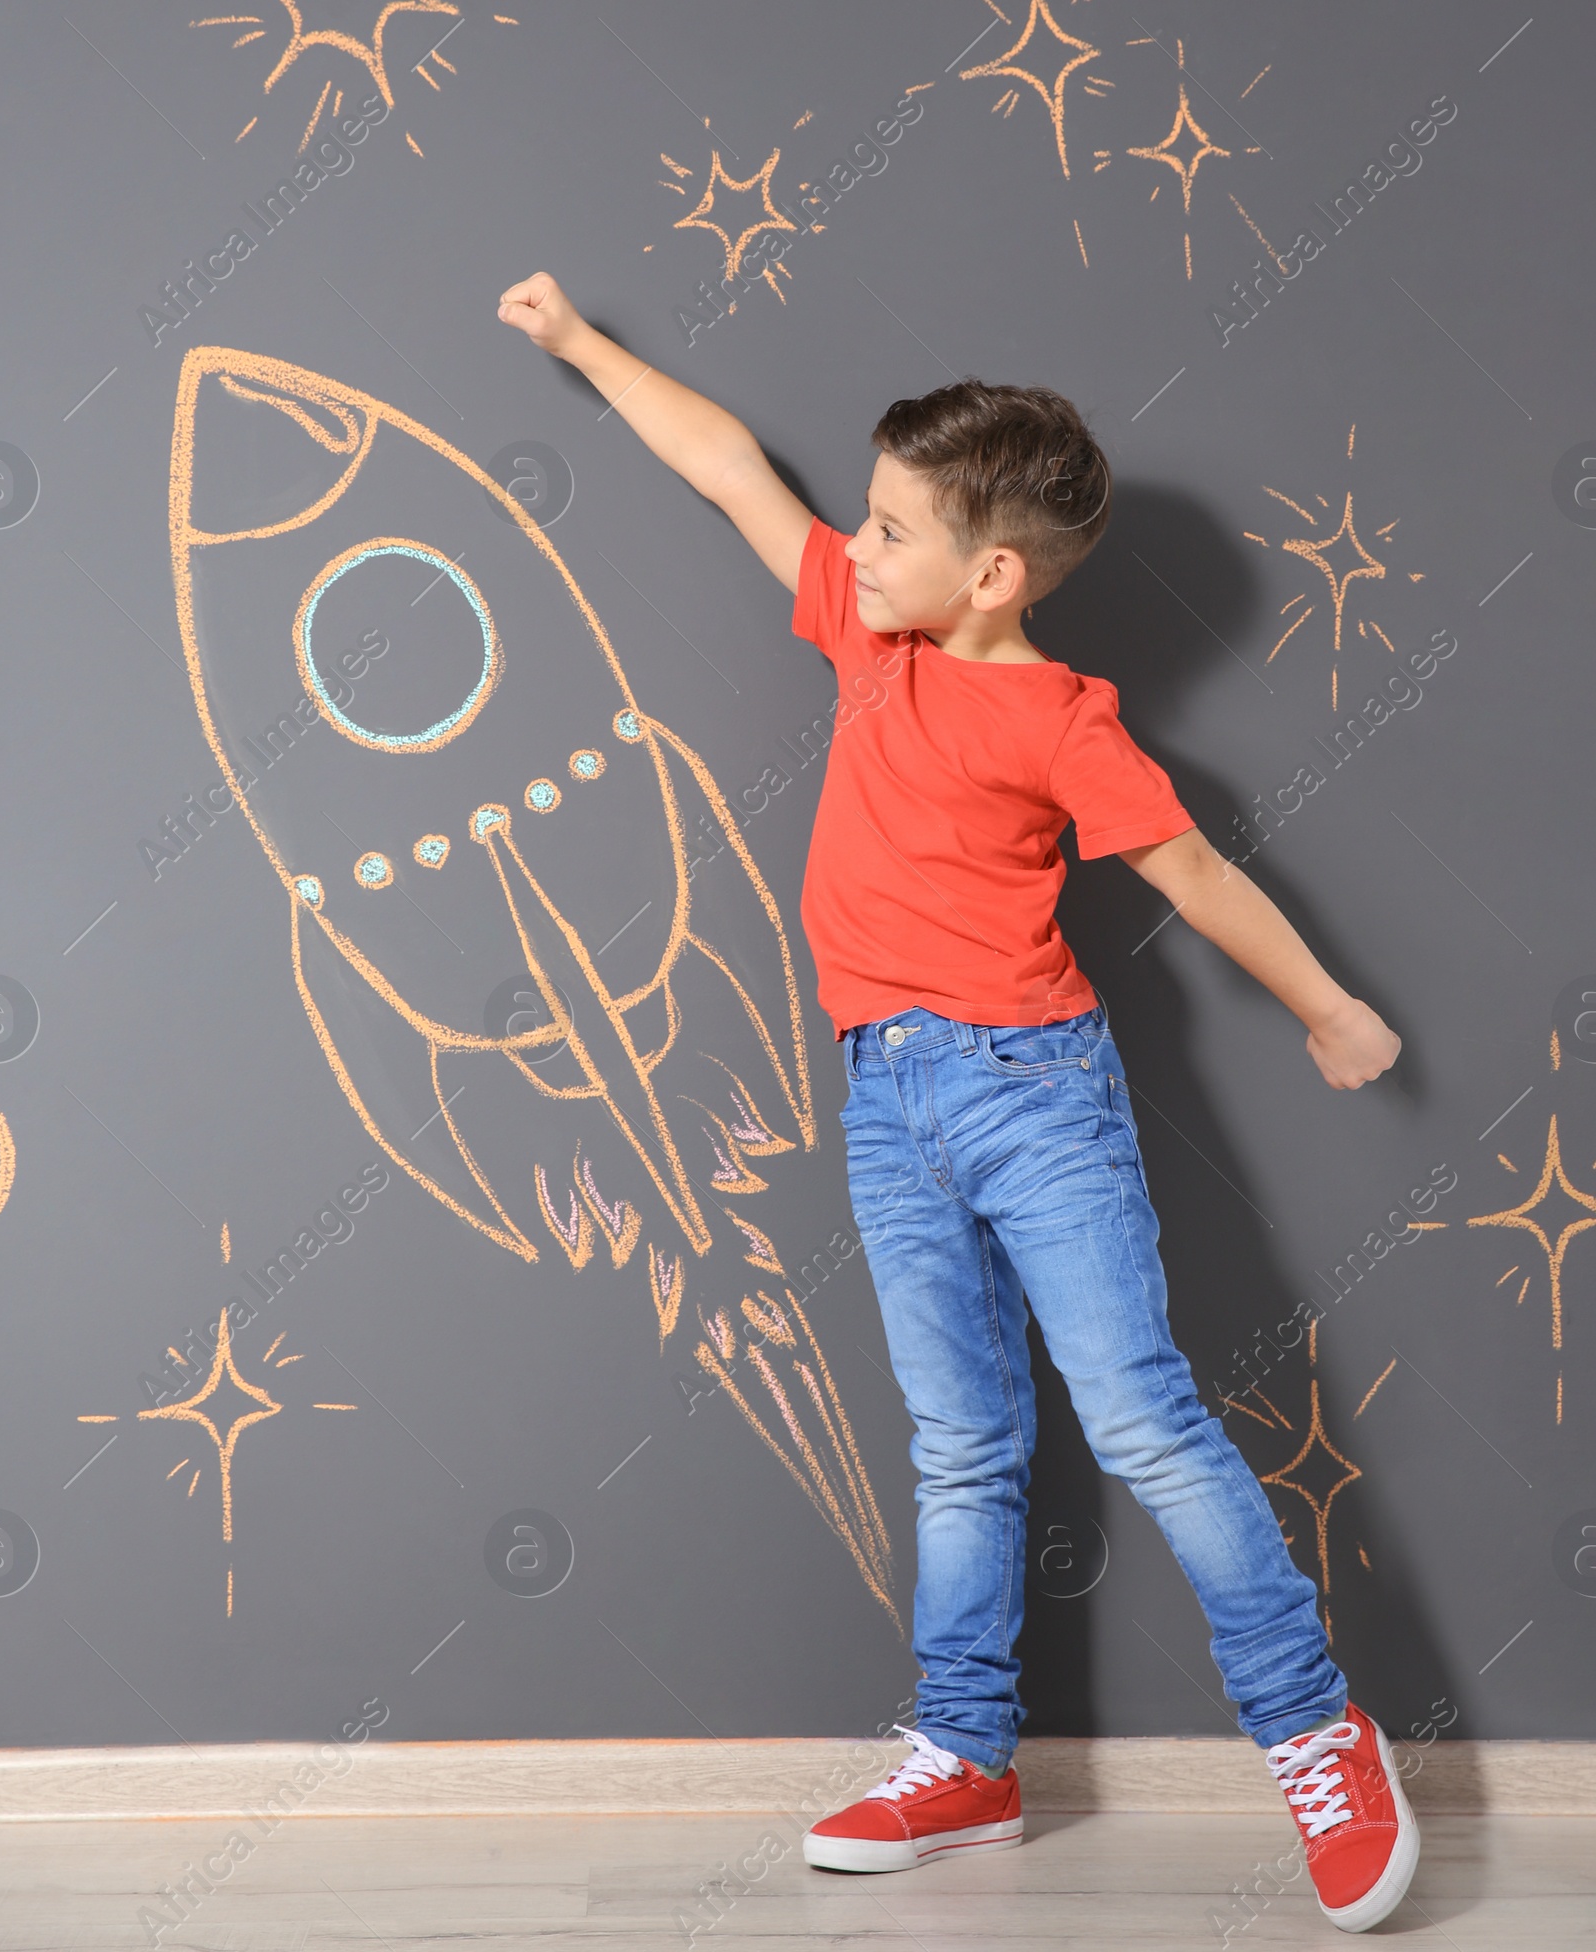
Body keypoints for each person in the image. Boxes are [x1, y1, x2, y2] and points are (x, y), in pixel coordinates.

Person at [496, 271, 1417, 1936]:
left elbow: (1196, 872)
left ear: (990, 574)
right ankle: (966, 1755)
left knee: (1137, 1417)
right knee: (962, 1445)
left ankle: (1314, 1731)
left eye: (889, 528)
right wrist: (576, 346)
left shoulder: (1061, 719)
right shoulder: (870, 632)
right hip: (884, 1092)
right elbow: (722, 468)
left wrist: (1332, 1007)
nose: (853, 548)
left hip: (1032, 1093)